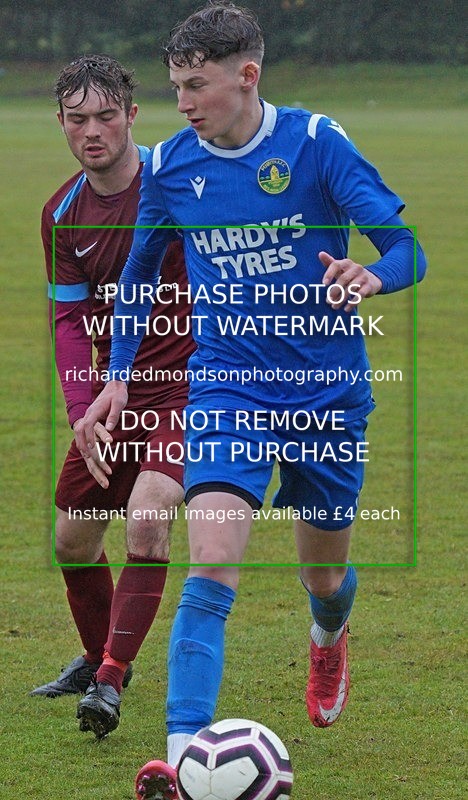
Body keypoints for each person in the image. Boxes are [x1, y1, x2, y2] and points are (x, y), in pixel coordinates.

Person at [75, 4, 426, 796]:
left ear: (248, 76)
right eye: (175, 87)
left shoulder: (313, 145)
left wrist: (372, 275)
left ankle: (329, 634)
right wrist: (121, 373)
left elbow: (409, 248)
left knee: (323, 573)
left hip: (327, 397)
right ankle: (179, 753)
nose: (185, 102)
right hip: (227, 386)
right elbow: (136, 280)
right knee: (214, 564)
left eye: (197, 85)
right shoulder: (169, 167)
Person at [31, 54, 194, 742]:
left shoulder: (183, 183)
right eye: (78, 119)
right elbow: (70, 320)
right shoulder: (63, 212)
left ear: (132, 115)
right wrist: (81, 410)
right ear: (61, 124)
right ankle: (106, 661)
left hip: (196, 384)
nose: (92, 130)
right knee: (71, 537)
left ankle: (106, 680)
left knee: (148, 515)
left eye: (106, 116)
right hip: (116, 395)